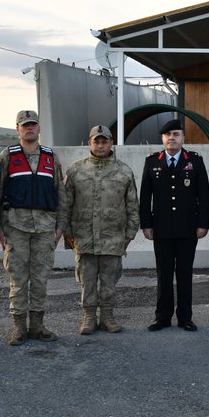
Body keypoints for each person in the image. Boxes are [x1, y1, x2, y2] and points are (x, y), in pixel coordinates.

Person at [58, 125, 139, 335]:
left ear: (111, 143)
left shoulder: (123, 171)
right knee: (87, 281)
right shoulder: (75, 170)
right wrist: (68, 234)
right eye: (97, 141)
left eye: (105, 141)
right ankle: (88, 317)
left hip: (113, 238)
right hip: (83, 237)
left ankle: (108, 317)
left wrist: (129, 234)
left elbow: (132, 206)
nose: (101, 145)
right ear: (89, 143)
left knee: (109, 282)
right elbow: (65, 204)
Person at [0, 110, 62, 346]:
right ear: (18, 129)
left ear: (39, 128)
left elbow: (60, 193)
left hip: (44, 227)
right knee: (18, 279)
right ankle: (19, 328)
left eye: (33, 124)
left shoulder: (51, 157)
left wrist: (60, 225)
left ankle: (38, 325)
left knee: (41, 278)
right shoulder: (7, 157)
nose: (29, 128)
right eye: (25, 125)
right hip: (16, 227)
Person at [140, 118, 209, 331]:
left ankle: (185, 317)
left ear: (183, 138)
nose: (172, 138)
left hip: (187, 228)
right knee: (164, 273)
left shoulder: (195, 161)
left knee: (185, 274)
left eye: (176, 134)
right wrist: (146, 224)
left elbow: (204, 195)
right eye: (168, 135)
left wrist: (202, 224)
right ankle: (162, 317)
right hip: (161, 228)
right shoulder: (152, 161)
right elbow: (145, 196)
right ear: (162, 138)